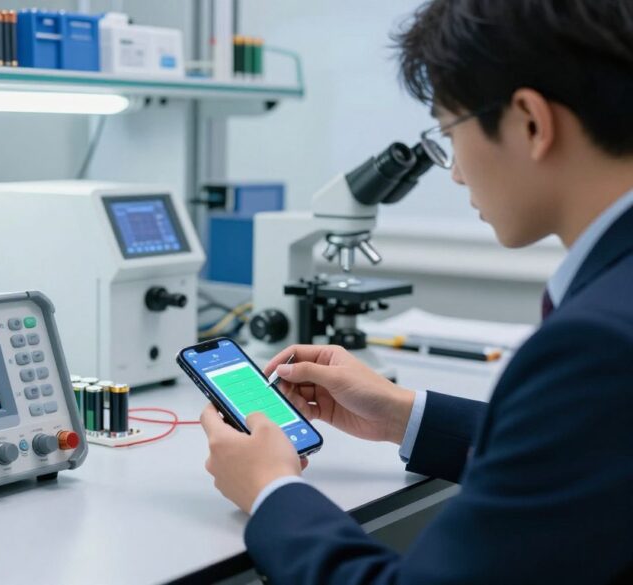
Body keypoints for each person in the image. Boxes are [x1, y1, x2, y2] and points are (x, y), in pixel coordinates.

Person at [200, 1, 633, 582]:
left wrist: (269, 489)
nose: (455, 173)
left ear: (531, 121)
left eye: (451, 133)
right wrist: (405, 416)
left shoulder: (595, 344)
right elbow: (586, 449)